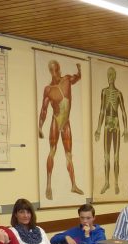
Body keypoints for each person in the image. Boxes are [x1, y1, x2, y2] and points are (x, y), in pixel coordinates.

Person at [38, 60, 84, 201]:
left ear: (59, 68)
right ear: (50, 71)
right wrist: (40, 126)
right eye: (52, 69)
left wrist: (79, 70)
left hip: (66, 123)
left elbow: (77, 77)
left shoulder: (67, 79)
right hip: (56, 120)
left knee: (69, 155)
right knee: (52, 151)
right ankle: (48, 186)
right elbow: (44, 109)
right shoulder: (48, 89)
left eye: (56, 69)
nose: (55, 72)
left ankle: (73, 185)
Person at [94, 66, 128, 195]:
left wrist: (126, 129)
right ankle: (107, 182)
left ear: (115, 77)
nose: (110, 77)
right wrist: (98, 128)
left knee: (116, 156)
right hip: (107, 124)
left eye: (112, 75)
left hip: (116, 123)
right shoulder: (104, 92)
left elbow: (123, 112)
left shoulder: (119, 93)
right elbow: (102, 110)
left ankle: (115, 183)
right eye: (109, 75)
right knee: (106, 156)